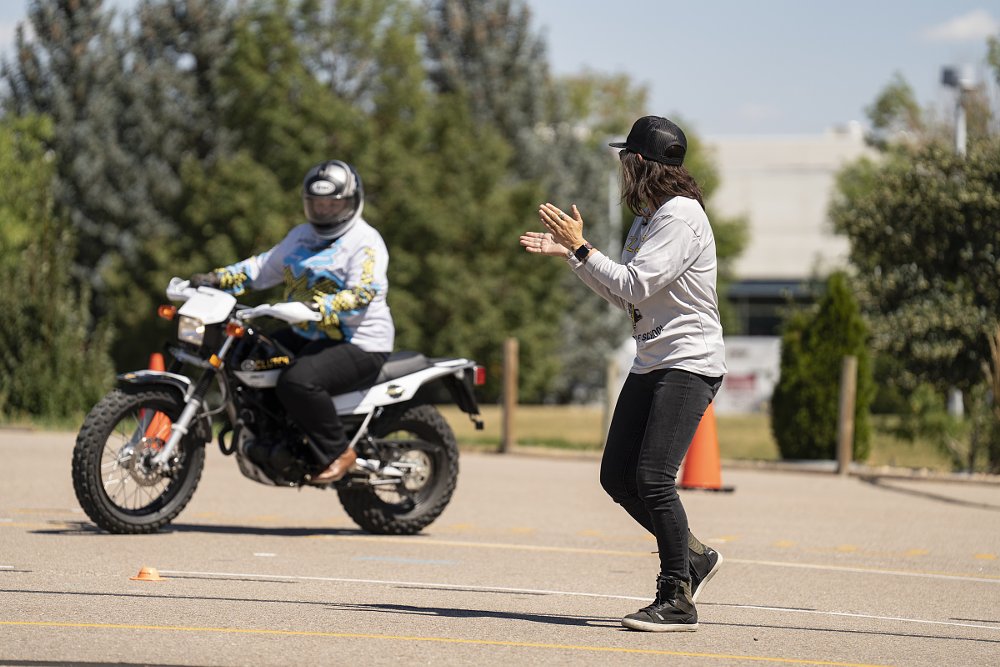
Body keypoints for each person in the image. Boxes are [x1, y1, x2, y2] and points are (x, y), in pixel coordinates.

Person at [519, 116, 726, 632]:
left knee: (654, 477)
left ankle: (677, 597)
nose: (620, 170)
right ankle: (694, 556)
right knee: (617, 476)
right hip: (654, 358)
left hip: (689, 361)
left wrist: (583, 247)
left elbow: (635, 284)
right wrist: (575, 256)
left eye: (624, 159)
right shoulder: (648, 218)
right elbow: (622, 296)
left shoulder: (680, 218)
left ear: (639, 163)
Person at [190, 160, 393, 484]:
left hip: (360, 342)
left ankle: (338, 451)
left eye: (332, 204)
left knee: (297, 381)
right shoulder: (300, 236)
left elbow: (364, 292)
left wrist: (317, 307)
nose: (324, 211)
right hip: (309, 334)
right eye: (318, 204)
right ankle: (275, 435)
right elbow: (261, 268)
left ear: (351, 201)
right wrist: (216, 278)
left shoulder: (365, 241)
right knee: (249, 354)